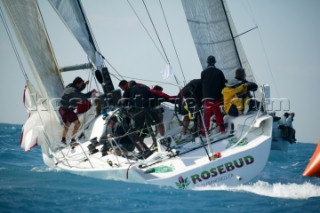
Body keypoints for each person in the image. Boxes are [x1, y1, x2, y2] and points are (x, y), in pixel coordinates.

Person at [59, 77, 97, 145]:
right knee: (77, 123)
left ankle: (63, 140)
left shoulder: (69, 86)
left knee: (67, 124)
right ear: (77, 83)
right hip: (67, 110)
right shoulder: (73, 91)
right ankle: (73, 140)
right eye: (81, 84)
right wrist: (91, 92)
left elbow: (78, 89)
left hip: (61, 109)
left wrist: (84, 84)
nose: (82, 85)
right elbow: (84, 97)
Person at [201, 55, 226, 134]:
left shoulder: (203, 72)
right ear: (214, 62)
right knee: (218, 113)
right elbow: (224, 84)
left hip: (206, 98)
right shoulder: (219, 72)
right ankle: (222, 130)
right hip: (216, 98)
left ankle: (204, 133)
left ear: (207, 62)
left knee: (206, 115)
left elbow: (203, 83)